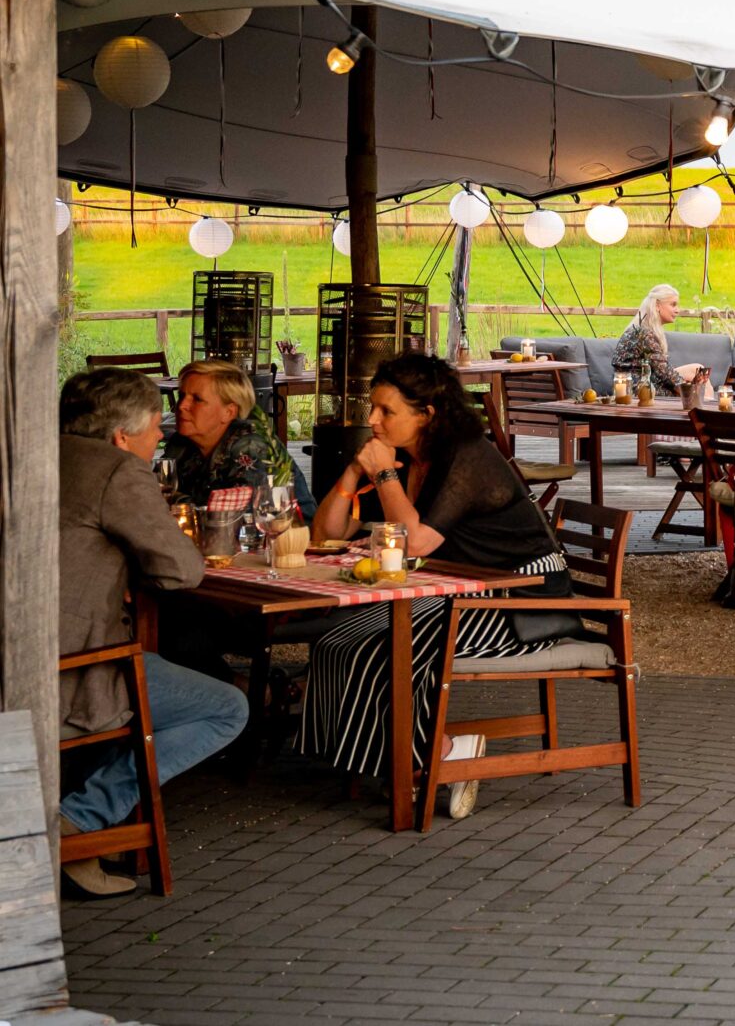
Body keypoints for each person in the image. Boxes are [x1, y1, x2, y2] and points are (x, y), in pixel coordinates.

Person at [301, 354, 571, 820]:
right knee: (335, 641)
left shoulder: (467, 455)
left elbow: (414, 542)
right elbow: (325, 535)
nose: (372, 420)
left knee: (386, 650)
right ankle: (436, 754)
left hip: (523, 598)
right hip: (461, 589)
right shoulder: (409, 454)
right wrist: (352, 472)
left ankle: (421, 764)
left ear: (427, 414)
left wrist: (383, 473)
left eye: (386, 411)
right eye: (373, 408)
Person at [56, 369, 247, 898]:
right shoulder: (116, 469)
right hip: (74, 670)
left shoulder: (37, 452)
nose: (161, 434)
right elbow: (181, 571)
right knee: (226, 708)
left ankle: (86, 837)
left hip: (32, 657)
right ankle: (77, 822)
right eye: (152, 426)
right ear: (121, 437)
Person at [163, 358, 315, 517]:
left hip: (290, 537)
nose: (181, 406)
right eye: (181, 395)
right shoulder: (181, 443)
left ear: (229, 412)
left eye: (197, 399)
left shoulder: (250, 445)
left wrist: (173, 503)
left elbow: (232, 518)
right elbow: (150, 493)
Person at [614, 285, 709, 395]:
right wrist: (690, 393)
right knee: (696, 385)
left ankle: (707, 406)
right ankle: (707, 408)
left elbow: (663, 371)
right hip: (639, 391)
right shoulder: (643, 333)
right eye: (673, 305)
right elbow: (665, 373)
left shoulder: (643, 328)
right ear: (657, 305)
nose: (678, 310)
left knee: (698, 370)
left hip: (647, 382)